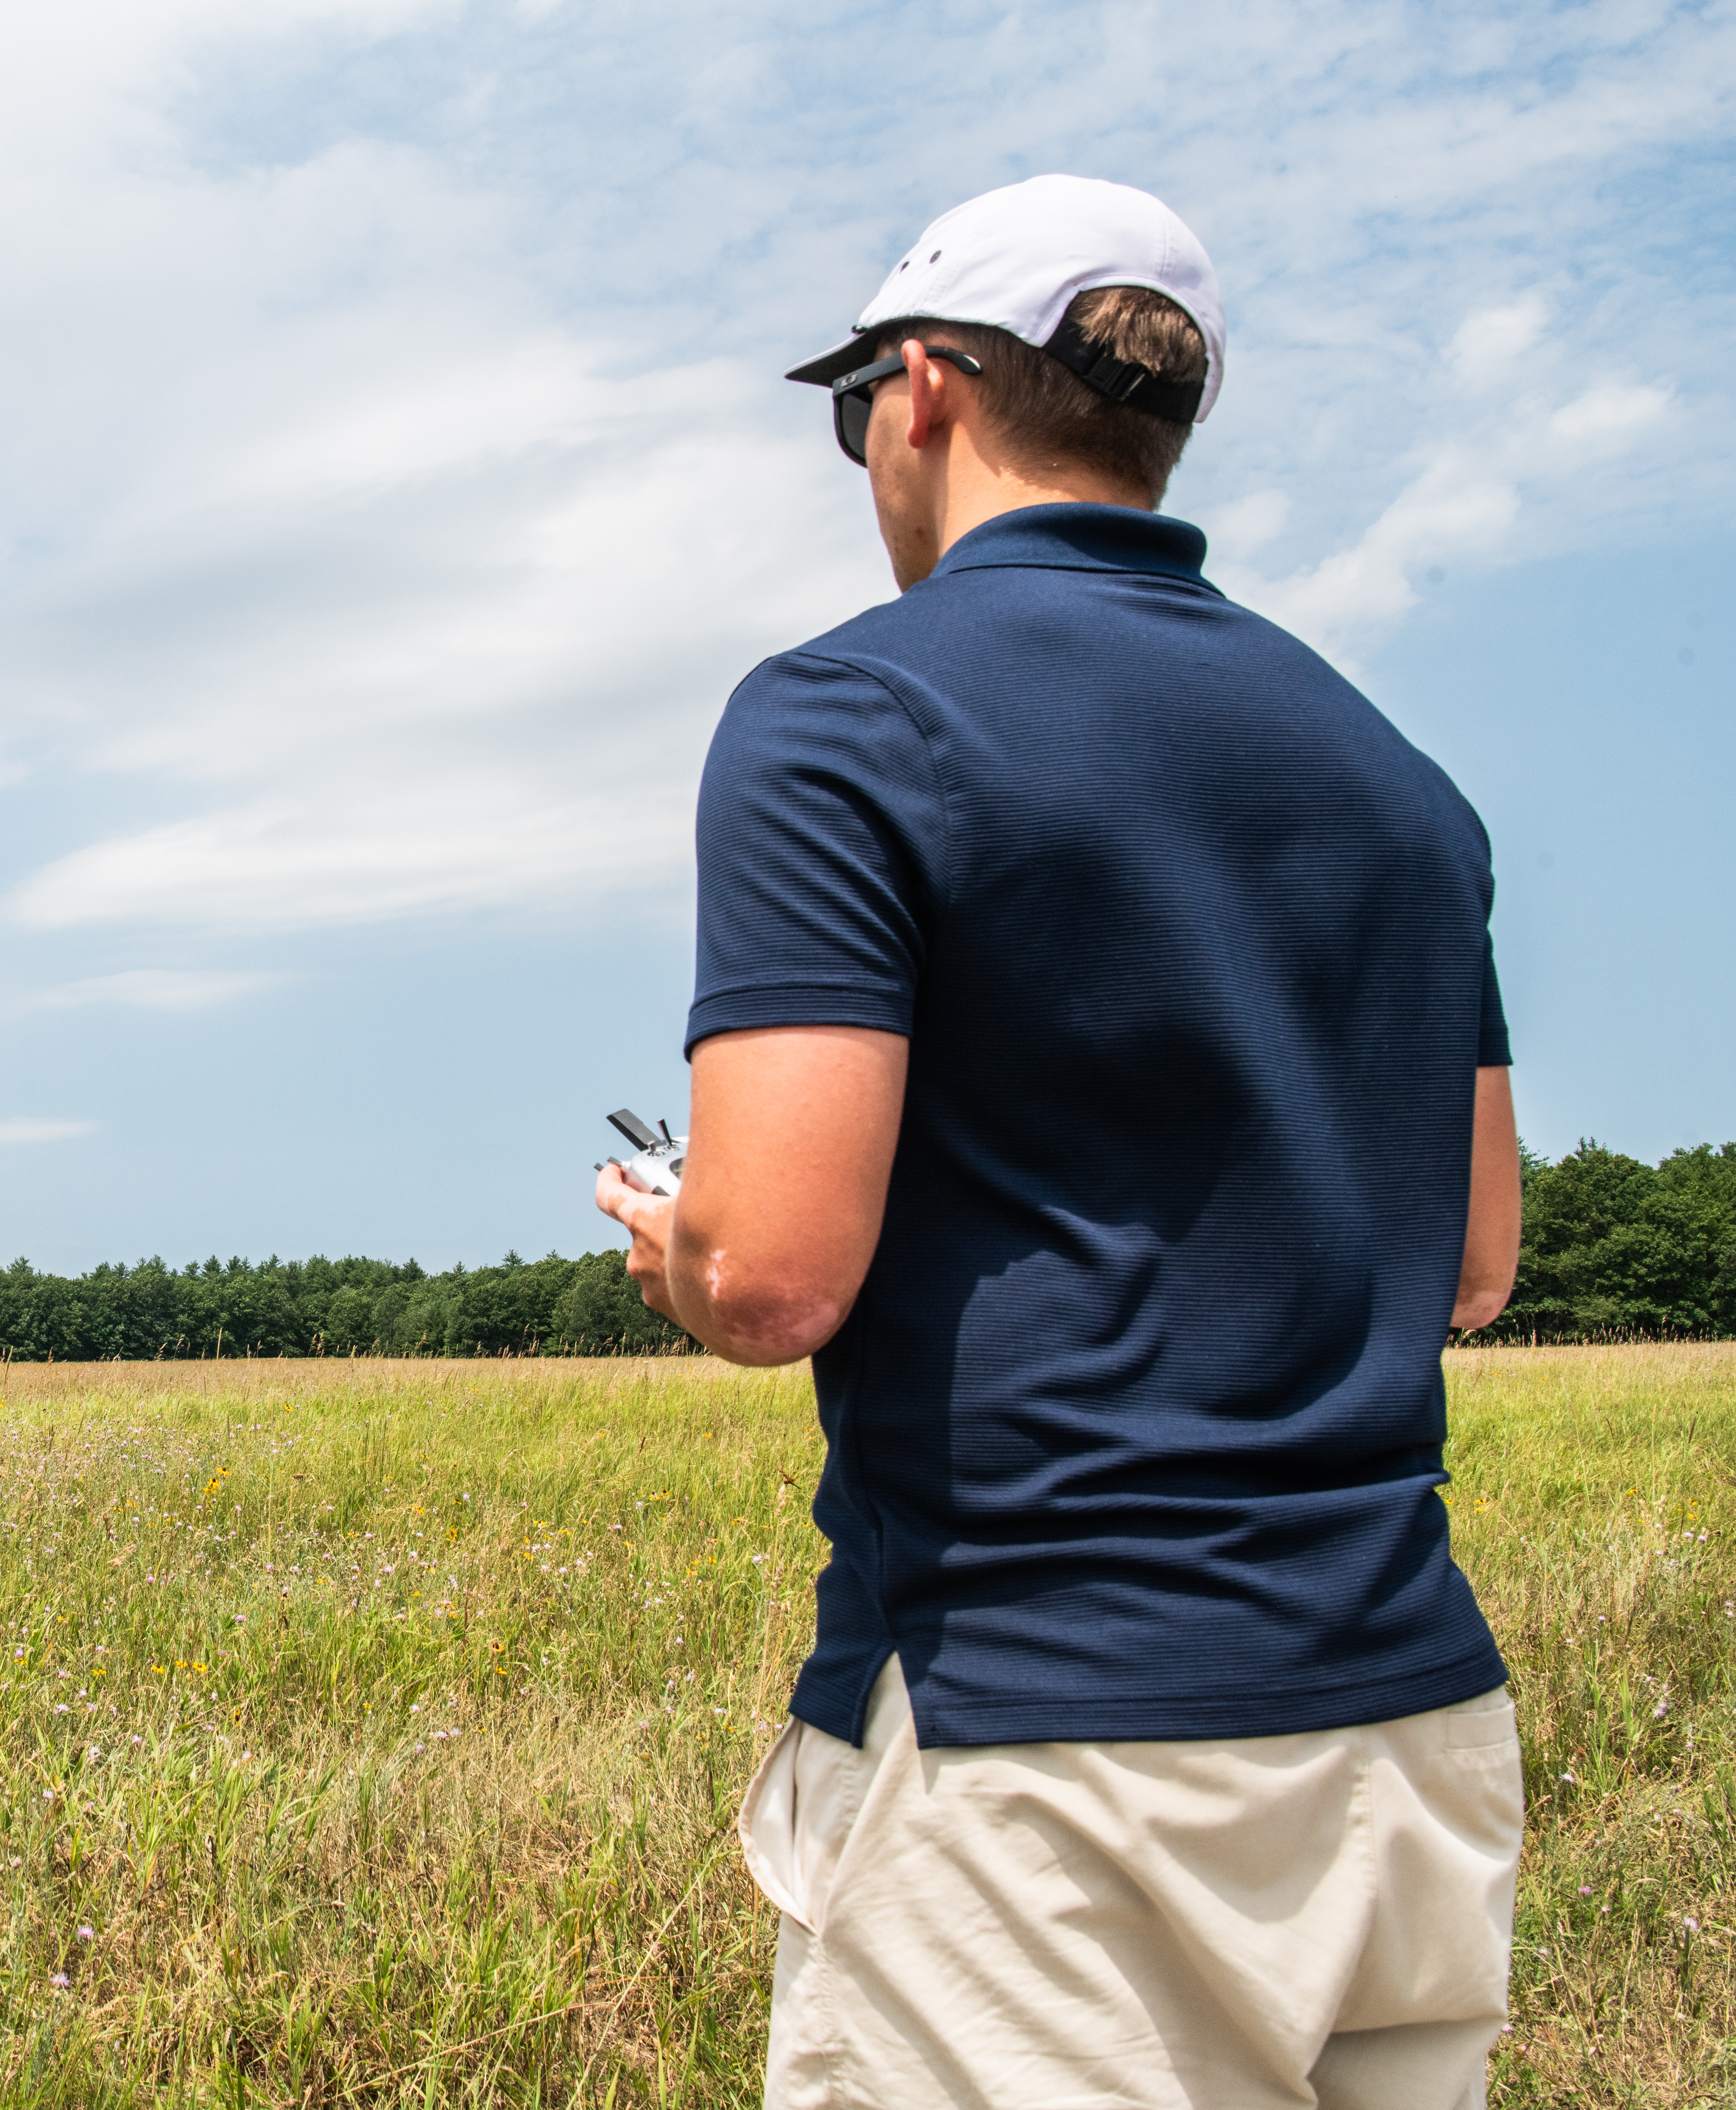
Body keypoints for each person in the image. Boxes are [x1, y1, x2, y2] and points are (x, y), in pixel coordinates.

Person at [593, 174, 1525, 2110]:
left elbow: (775, 1276)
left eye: (854, 410)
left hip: (1049, 1757)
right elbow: (1471, 1258)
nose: (863, 455)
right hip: (1408, 1736)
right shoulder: (1397, 778)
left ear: (923, 388)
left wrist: (679, 1238)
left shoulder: (844, 716)